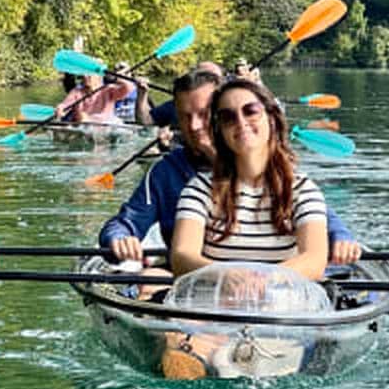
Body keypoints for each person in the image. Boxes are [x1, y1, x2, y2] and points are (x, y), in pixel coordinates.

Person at [99, 69, 361, 267]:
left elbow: (318, 216)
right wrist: (119, 238)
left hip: (279, 288)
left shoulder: (282, 175)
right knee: (151, 278)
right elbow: (127, 224)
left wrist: (340, 236)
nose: (193, 126)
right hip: (194, 284)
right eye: (185, 116)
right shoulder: (168, 174)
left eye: (203, 114)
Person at [171, 78, 327, 280]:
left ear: (271, 118)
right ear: (221, 132)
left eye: (250, 111)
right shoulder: (200, 188)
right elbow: (182, 256)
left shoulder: (302, 189)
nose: (241, 122)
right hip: (213, 306)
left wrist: (266, 280)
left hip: (281, 307)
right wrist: (224, 275)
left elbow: (315, 259)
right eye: (227, 117)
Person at [54, 72, 134, 123]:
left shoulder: (108, 89)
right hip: (85, 123)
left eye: (89, 74)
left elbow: (130, 88)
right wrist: (60, 109)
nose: (85, 76)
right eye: (84, 74)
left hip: (107, 123)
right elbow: (65, 105)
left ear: (98, 76)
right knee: (82, 116)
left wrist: (116, 79)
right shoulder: (77, 92)